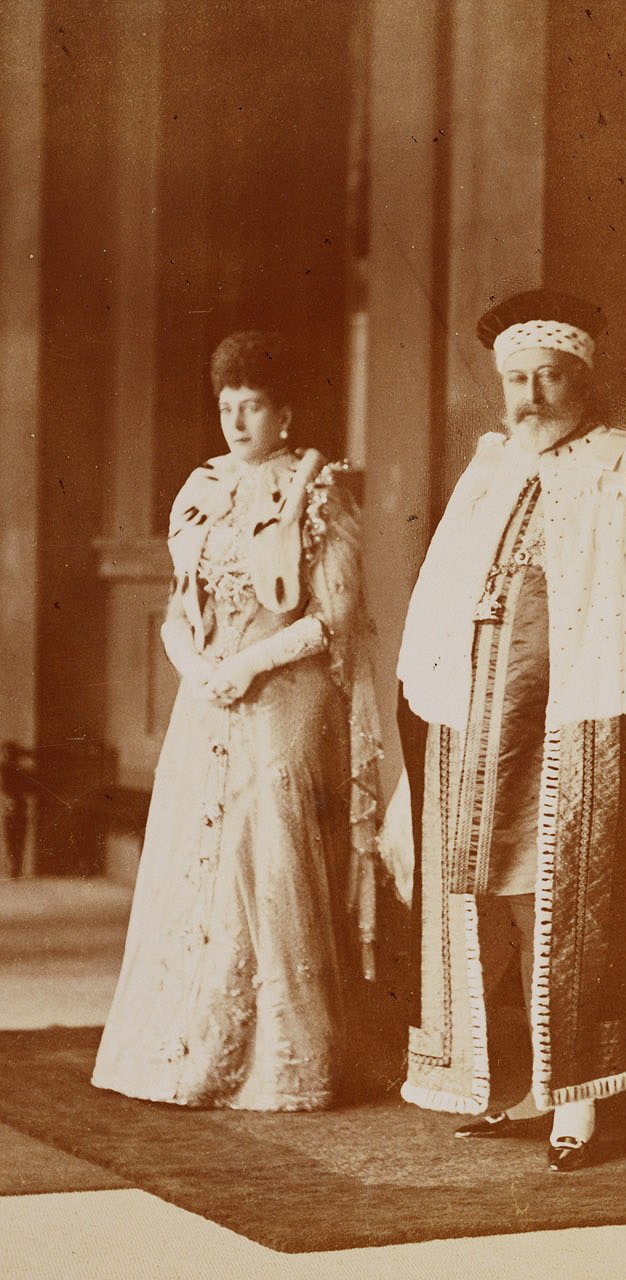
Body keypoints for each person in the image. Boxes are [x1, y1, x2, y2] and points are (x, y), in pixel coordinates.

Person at [394, 289, 626, 1171]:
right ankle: (534, 1082)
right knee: (494, 890)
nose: (531, 397)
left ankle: (579, 1099)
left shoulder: (623, 470)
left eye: (548, 378)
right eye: (516, 380)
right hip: (486, 729)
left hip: (579, 727)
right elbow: (441, 606)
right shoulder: (490, 471)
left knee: (563, 898)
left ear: (583, 381)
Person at [92, 332, 387, 1111]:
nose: (236, 421)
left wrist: (247, 667)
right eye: (227, 407)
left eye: (252, 406)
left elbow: (334, 618)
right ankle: (177, 1053)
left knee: (271, 856)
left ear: (284, 414)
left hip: (285, 697)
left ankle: (284, 1065)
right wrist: (197, 670)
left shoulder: (319, 492)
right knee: (195, 857)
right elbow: (176, 608)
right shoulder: (201, 489)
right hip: (209, 697)